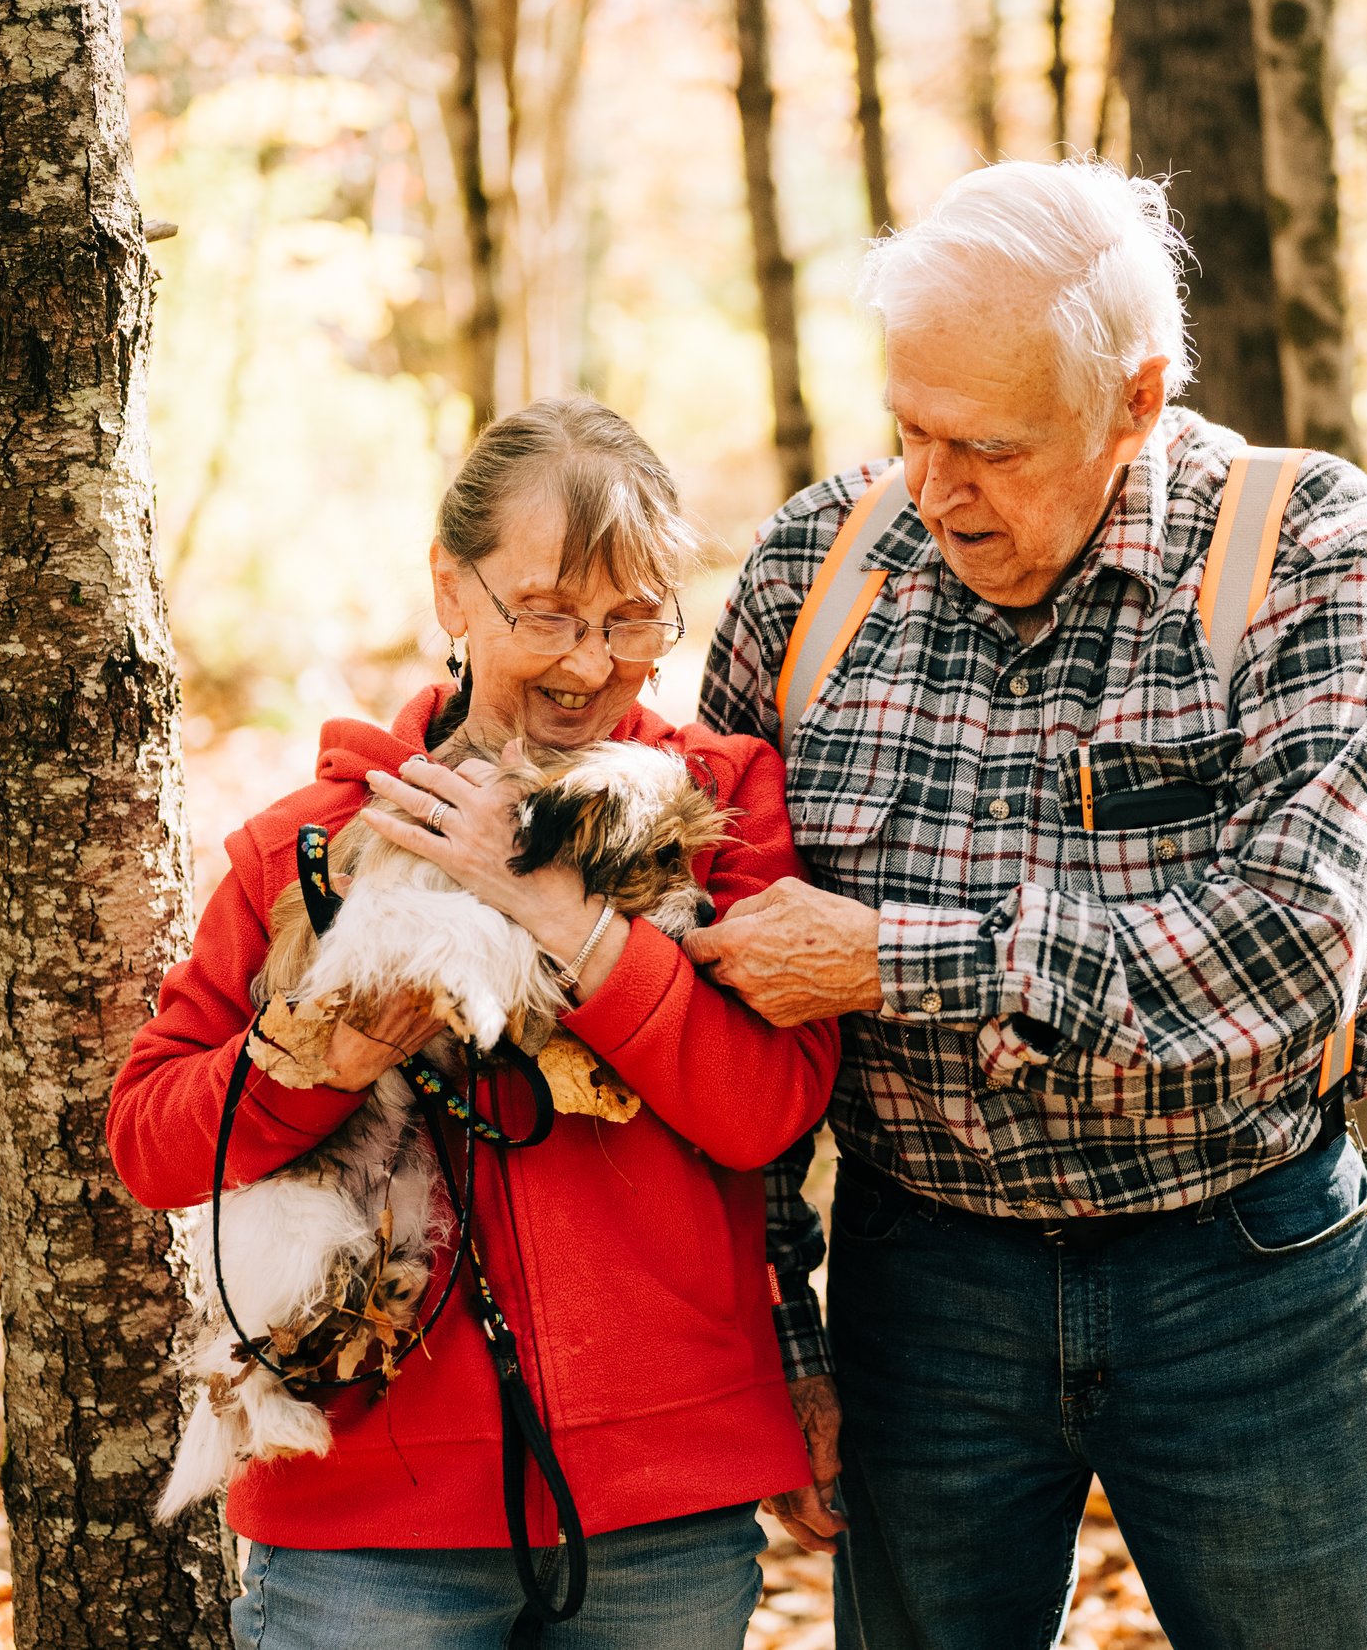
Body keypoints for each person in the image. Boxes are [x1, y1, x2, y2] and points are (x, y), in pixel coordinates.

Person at [686, 160, 1367, 1649]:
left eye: (993, 448)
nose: (939, 491)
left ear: (1136, 401)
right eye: (912, 432)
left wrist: (900, 961)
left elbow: (1294, 950)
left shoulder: (1301, 545)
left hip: (1243, 1268)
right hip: (924, 1277)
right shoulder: (813, 568)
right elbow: (716, 981)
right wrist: (783, 1325)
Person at [108, 397, 839, 1649]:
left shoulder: (718, 806)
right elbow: (150, 1141)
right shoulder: (313, 841)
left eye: (631, 618)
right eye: (545, 612)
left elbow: (765, 1106)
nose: (587, 661)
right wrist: (320, 1059)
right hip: (366, 1521)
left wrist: (566, 919)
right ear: (452, 590)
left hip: (661, 1509)